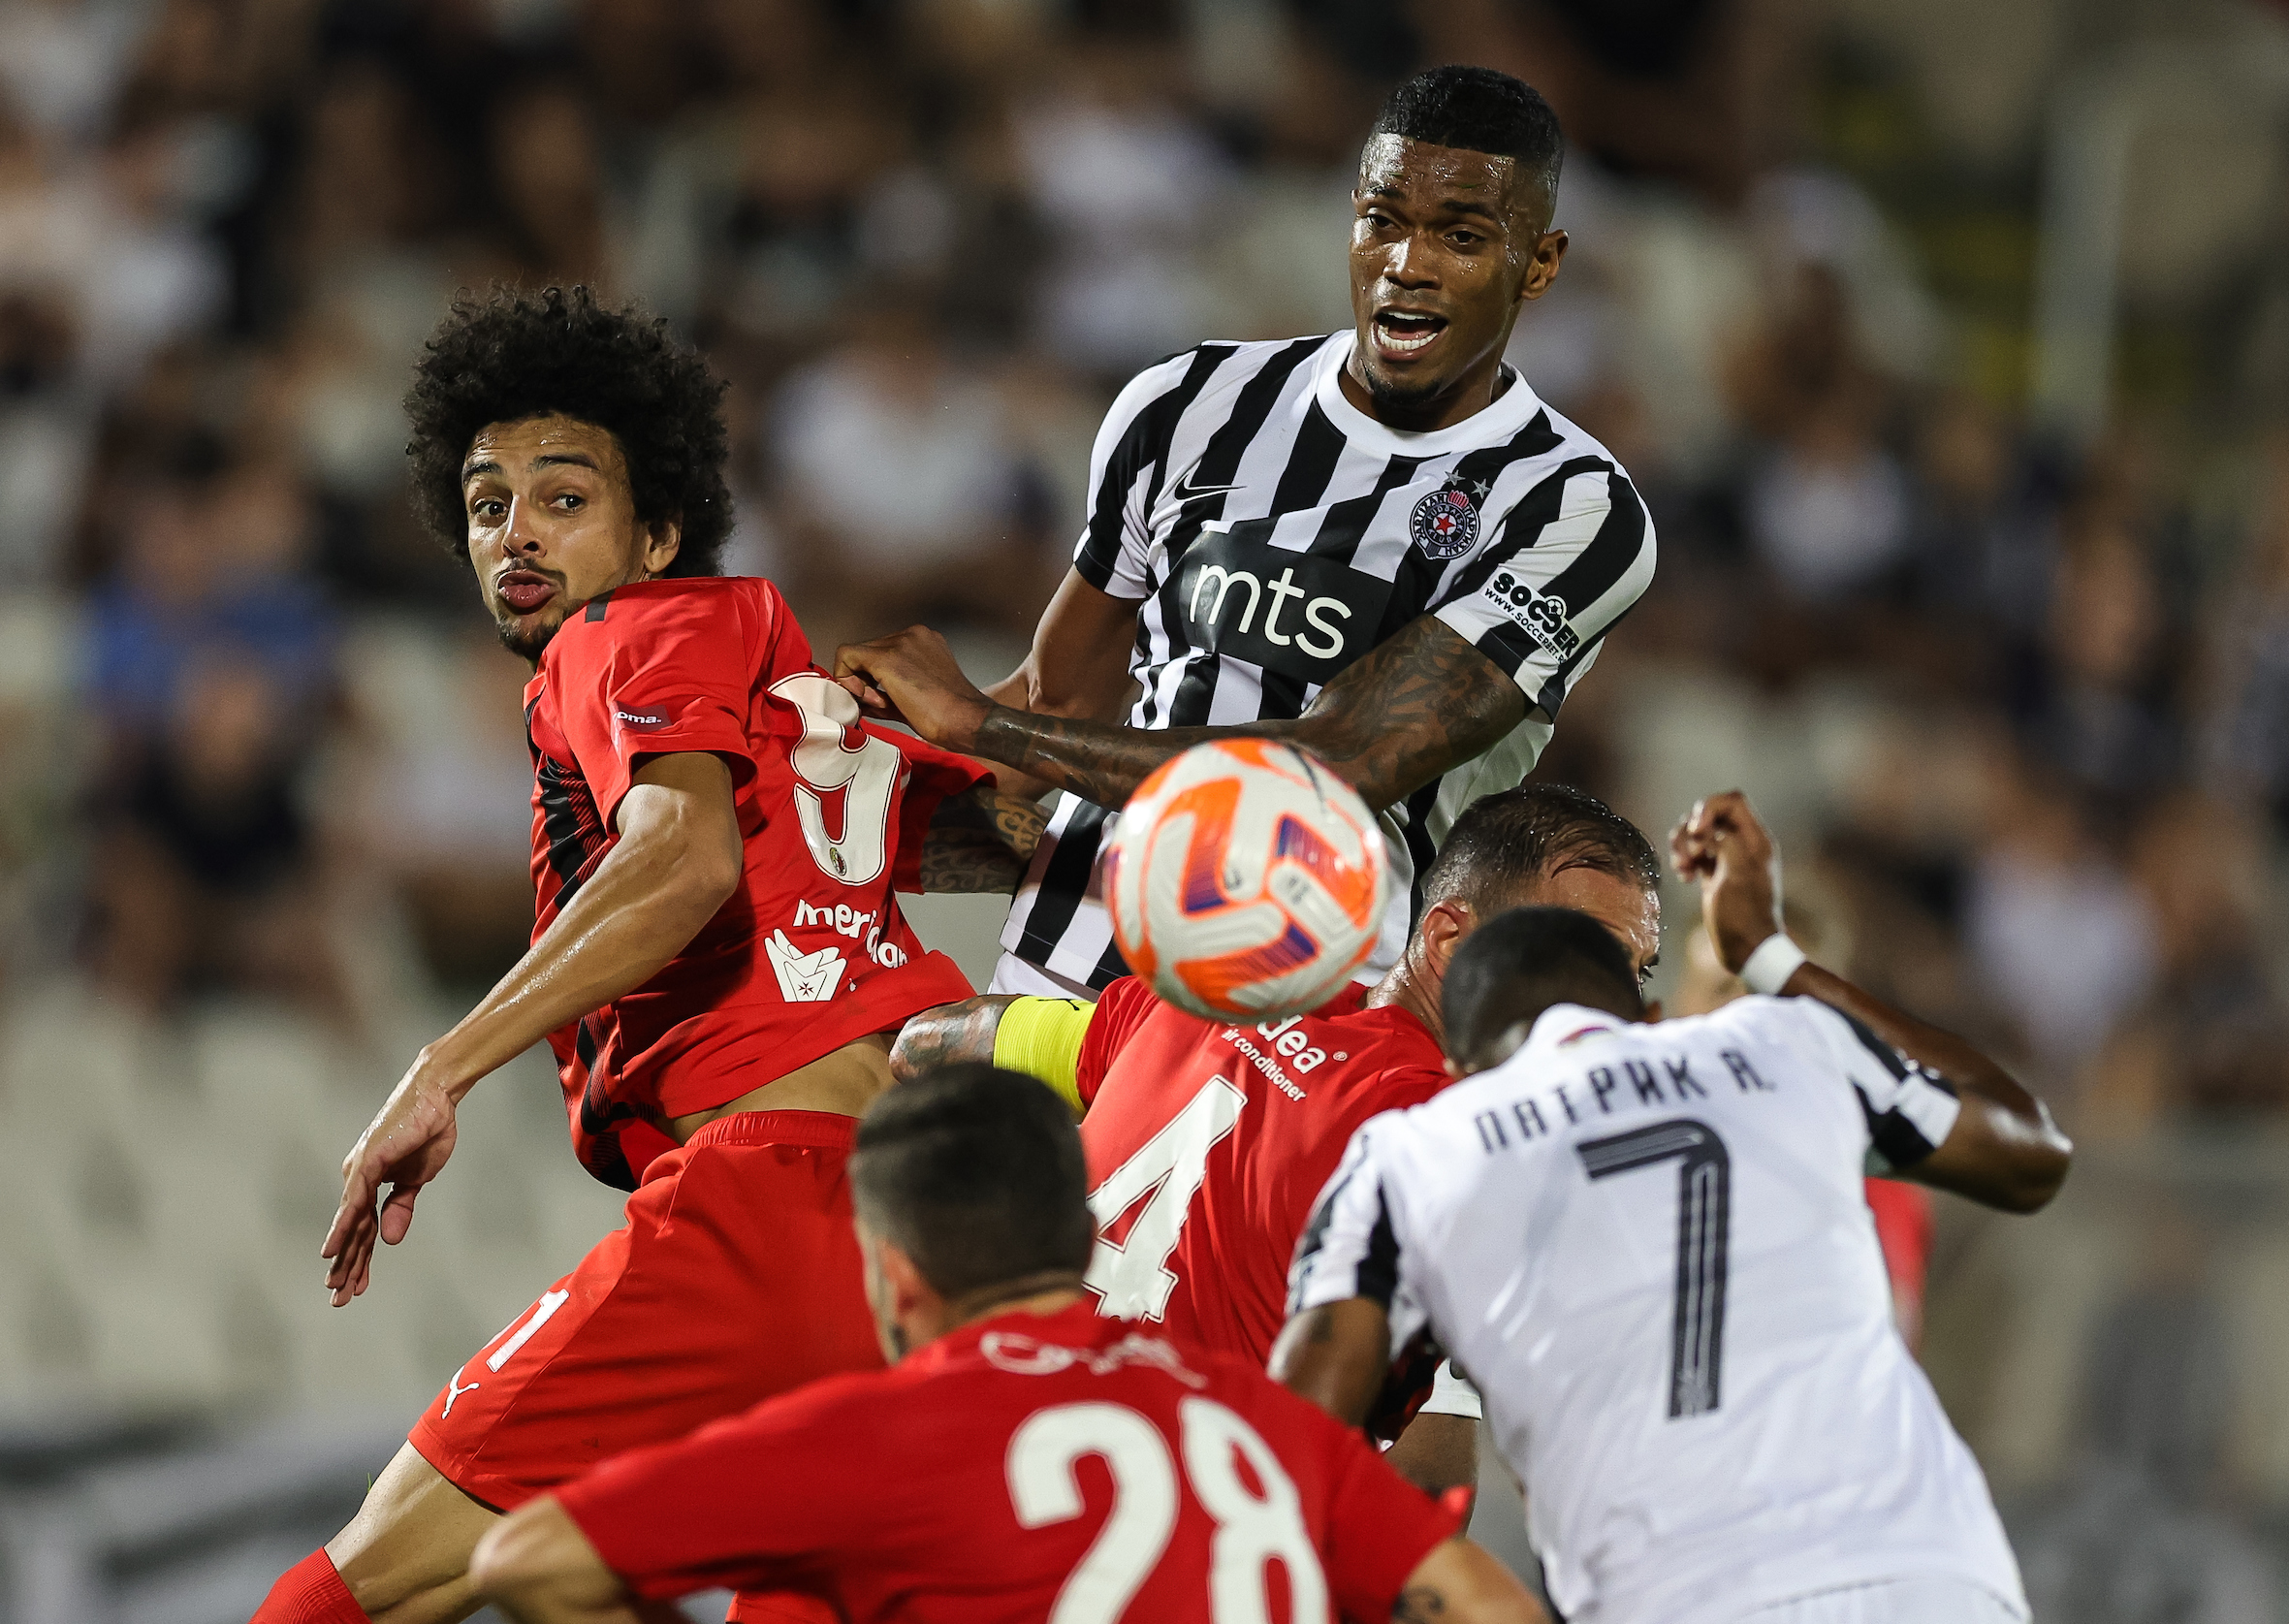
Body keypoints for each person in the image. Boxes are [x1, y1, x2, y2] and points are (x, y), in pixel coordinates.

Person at [255, 287, 1041, 1624]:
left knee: (333, 1601)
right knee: (617, 1579)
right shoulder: (781, 693)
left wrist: (441, 1065)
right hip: (946, 1231)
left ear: (656, 532)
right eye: (488, 499)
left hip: (771, 1204)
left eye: (564, 498)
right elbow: (1014, 822)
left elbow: (683, 861)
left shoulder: (630, 632)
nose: (515, 529)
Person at [833, 64, 1656, 1003]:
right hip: (1054, 987)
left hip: (1293, 1045)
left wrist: (980, 719)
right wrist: (833, 832)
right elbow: (1055, 723)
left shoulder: (1573, 507)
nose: (1407, 264)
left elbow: (1338, 762)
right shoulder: (1187, 404)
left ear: (1539, 264)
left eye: (1461, 237)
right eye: (1382, 220)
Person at [1272, 791, 2073, 1624]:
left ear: (1465, 1068)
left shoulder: (1416, 1151)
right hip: (1937, 1578)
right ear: (1648, 1018)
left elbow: (1298, 1436)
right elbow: (2030, 1150)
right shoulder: (1788, 1043)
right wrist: (1771, 958)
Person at [465, 1065, 1550, 1624]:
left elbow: (527, 1556)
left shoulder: (880, 1438)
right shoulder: (1252, 1419)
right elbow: (1483, 1603)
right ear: (1083, 1236)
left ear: (892, 1272)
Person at [893, 782, 1662, 1495]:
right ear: (1452, 941)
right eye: (1586, 953)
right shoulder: (1447, 1138)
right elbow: (1437, 1487)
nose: (1616, 1002)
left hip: (978, 1453)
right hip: (1158, 1535)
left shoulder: (1222, 994)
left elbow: (932, 1042)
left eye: (1634, 970)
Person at [1667, 874, 1936, 1351]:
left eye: (1775, 997)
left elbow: (1875, 1349)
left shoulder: (1870, 1171)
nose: (1745, 1020)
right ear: (1674, 1009)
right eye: (1722, 989)